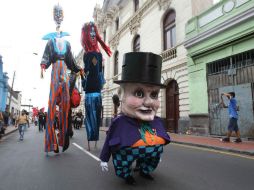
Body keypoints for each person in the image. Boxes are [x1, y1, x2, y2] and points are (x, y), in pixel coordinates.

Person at [99, 52, 171, 185]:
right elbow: (109, 140)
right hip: (127, 153)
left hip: (148, 152)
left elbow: (162, 136)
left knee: (151, 157)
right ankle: (127, 175)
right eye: (139, 93)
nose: (149, 102)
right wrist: (104, 158)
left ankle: (145, 169)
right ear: (122, 95)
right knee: (123, 159)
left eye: (154, 95)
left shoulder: (156, 121)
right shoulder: (119, 122)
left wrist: (157, 153)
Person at [40, 4, 83, 153]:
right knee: (52, 104)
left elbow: (71, 60)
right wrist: (43, 65)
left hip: (64, 70)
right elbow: (46, 56)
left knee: (65, 106)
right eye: (57, 24)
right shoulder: (50, 42)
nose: (58, 29)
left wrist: (78, 69)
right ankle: (51, 143)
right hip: (55, 71)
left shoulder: (68, 44)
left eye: (60, 24)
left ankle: (62, 140)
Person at [81, 21, 112, 151]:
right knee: (89, 118)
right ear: (87, 36)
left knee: (96, 119)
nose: (93, 35)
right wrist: (83, 77)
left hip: (97, 93)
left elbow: (100, 72)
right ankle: (90, 140)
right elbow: (86, 72)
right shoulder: (86, 55)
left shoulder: (99, 55)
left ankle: (94, 141)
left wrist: (101, 83)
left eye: (95, 33)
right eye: (91, 33)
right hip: (89, 93)